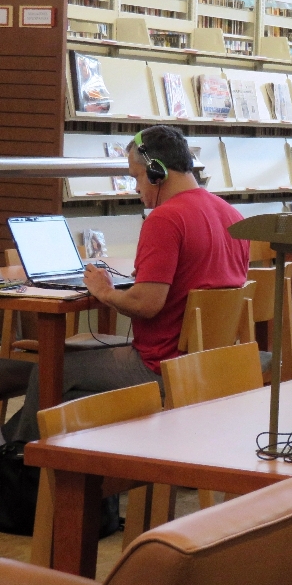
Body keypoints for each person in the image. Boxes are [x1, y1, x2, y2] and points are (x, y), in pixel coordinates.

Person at [4, 125, 249, 444]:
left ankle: (25, 472)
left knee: (50, 371)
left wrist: (105, 292)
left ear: (156, 173)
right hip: (206, 360)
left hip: (160, 366)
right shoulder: (232, 215)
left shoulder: (165, 219)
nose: (136, 188)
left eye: (135, 177)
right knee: (78, 361)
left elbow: (147, 304)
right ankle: (27, 454)